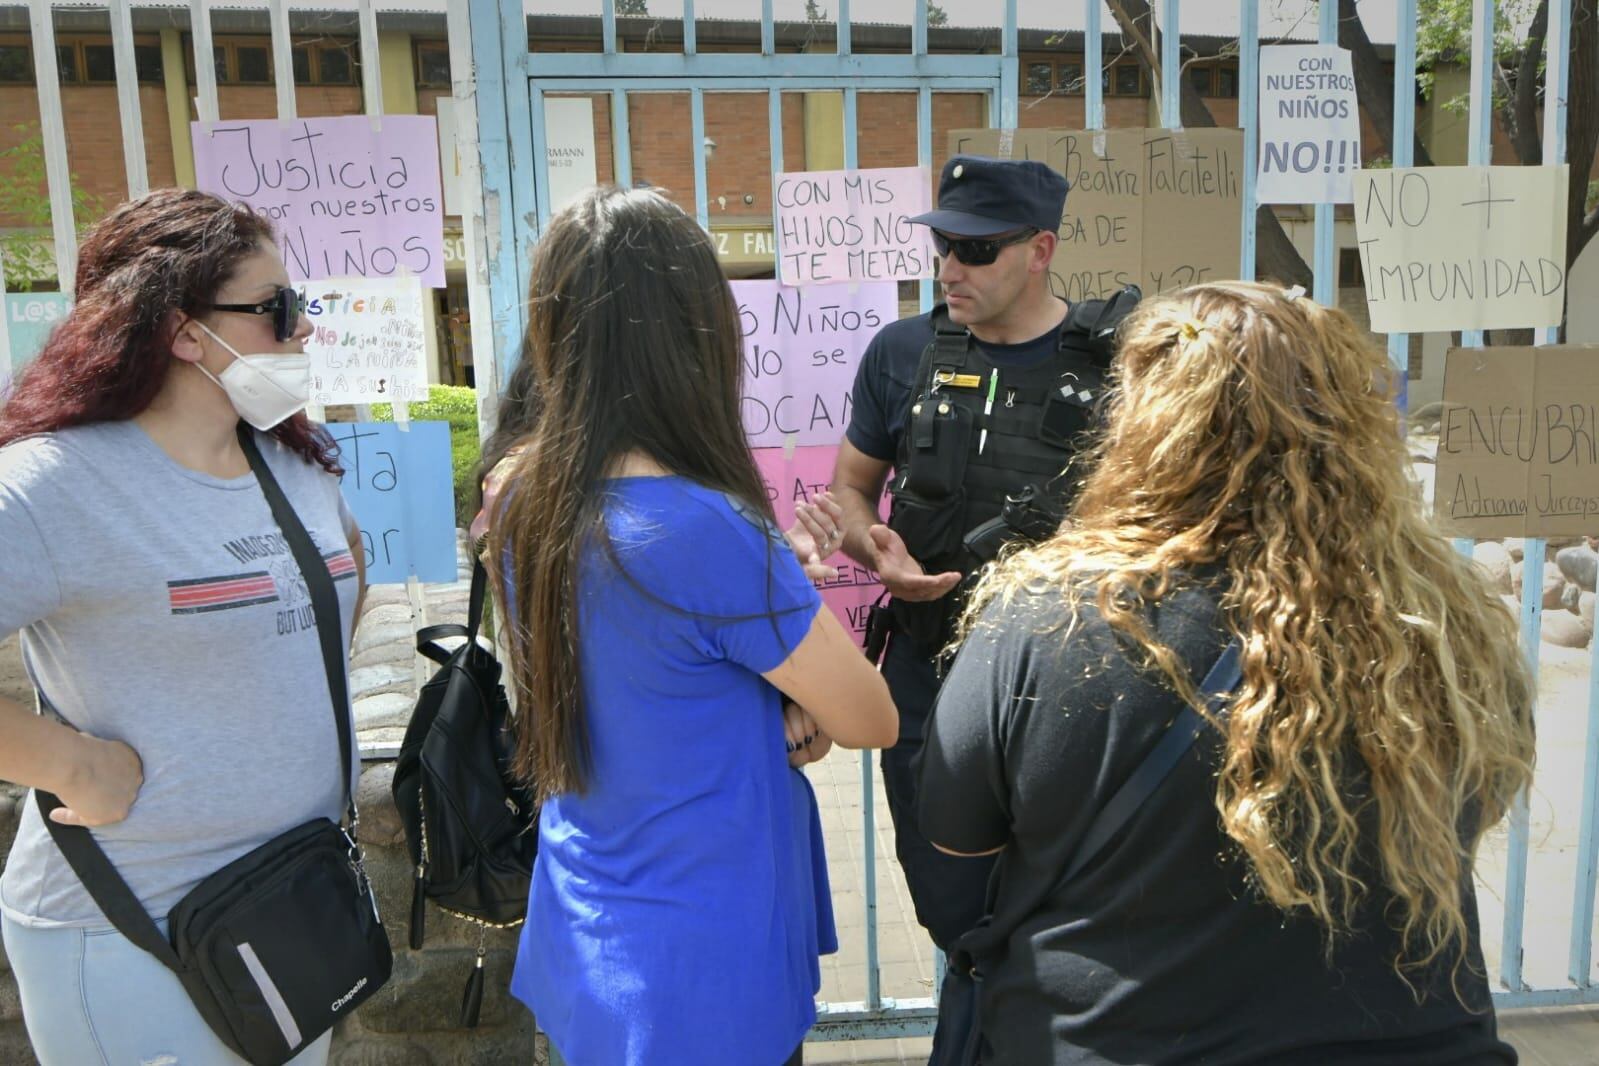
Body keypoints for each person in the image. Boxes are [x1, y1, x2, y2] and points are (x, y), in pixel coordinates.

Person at [918, 281, 1535, 1064]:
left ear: (1142, 423)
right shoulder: (1446, 619)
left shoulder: (1045, 616)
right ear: (1348, 422)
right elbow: (1475, 806)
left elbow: (954, 857)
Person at [480, 186, 899, 1066]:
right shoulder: (705, 530)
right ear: (697, 333)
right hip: (702, 958)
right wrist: (785, 632)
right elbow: (871, 718)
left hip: (593, 927)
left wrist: (765, 650)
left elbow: (633, 663)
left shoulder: (520, 495)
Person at [0, 188, 366, 1064]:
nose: (303, 329)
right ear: (181, 331)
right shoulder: (54, 485)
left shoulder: (289, 461)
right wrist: (70, 762)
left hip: (290, 908)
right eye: (277, 309)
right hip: (137, 934)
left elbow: (336, 594)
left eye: (302, 306)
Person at [806, 153, 1137, 1050]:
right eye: (943, 246)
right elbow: (846, 491)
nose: (950, 268)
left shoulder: (1115, 363)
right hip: (928, 671)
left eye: (976, 250)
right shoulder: (902, 353)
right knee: (952, 901)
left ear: (1040, 250)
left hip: (1066, 683)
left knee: (1060, 896)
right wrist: (874, 548)